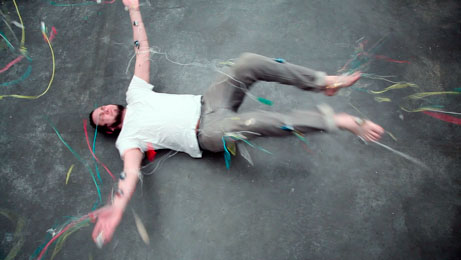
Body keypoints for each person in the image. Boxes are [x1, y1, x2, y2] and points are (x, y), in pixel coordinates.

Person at [90, 0, 384, 247]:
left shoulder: (135, 93)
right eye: (100, 119)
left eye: (101, 108)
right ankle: (341, 122)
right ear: (110, 129)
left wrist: (133, 9)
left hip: (209, 101)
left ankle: (324, 83)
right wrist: (117, 208)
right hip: (209, 133)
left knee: (247, 62)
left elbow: (141, 51)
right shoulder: (127, 141)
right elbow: (129, 174)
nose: (103, 111)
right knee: (266, 121)